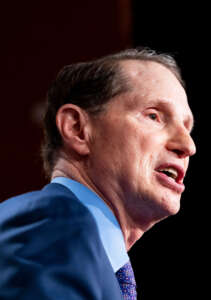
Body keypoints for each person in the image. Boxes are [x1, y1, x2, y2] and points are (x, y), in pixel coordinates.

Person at [0, 48, 196, 299]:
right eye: (154, 116)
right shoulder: (52, 229)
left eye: (187, 127)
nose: (188, 146)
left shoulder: (84, 250)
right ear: (78, 129)